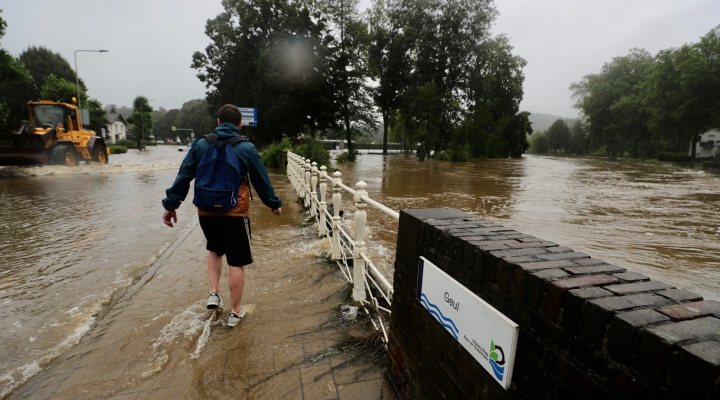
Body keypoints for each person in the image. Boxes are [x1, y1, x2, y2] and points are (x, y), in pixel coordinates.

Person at [161, 104, 282, 327]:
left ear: (218, 122)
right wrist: (273, 204)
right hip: (234, 212)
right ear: (240, 124)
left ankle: (214, 293)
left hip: (206, 211)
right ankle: (235, 312)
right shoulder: (245, 148)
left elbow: (184, 175)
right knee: (236, 261)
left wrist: (171, 205)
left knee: (214, 249)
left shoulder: (200, 145)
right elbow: (261, 179)